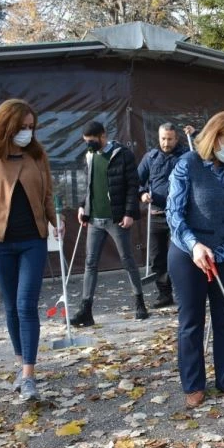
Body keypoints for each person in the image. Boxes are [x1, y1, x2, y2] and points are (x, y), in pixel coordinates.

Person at [0, 98, 57, 401]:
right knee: (10, 305)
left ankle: (29, 375)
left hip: (33, 239)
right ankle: (20, 364)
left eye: (31, 127)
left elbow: (47, 194)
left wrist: (57, 221)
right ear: (7, 126)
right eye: (22, 127)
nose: (28, 133)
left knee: (26, 304)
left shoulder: (37, 154)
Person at [166, 110, 224, 409]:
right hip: (188, 253)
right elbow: (174, 214)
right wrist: (194, 245)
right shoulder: (187, 164)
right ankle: (193, 384)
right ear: (214, 137)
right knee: (191, 321)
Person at [70, 121, 149, 326]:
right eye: (86, 141)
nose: (89, 145)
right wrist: (82, 207)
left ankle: (139, 303)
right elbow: (87, 184)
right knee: (90, 263)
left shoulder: (123, 154)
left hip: (117, 219)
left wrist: (129, 212)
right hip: (95, 219)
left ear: (103, 136)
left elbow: (133, 186)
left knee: (127, 260)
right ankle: (86, 310)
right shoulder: (90, 156)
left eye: (92, 141)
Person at [137, 123, 190, 308]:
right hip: (156, 215)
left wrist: (196, 134)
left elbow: (205, 156)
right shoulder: (150, 157)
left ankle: (185, 293)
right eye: (163, 138)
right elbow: (137, 181)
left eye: (170, 139)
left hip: (180, 215)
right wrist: (142, 193)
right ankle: (164, 294)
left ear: (176, 138)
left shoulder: (187, 156)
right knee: (157, 257)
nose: (166, 143)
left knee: (180, 256)